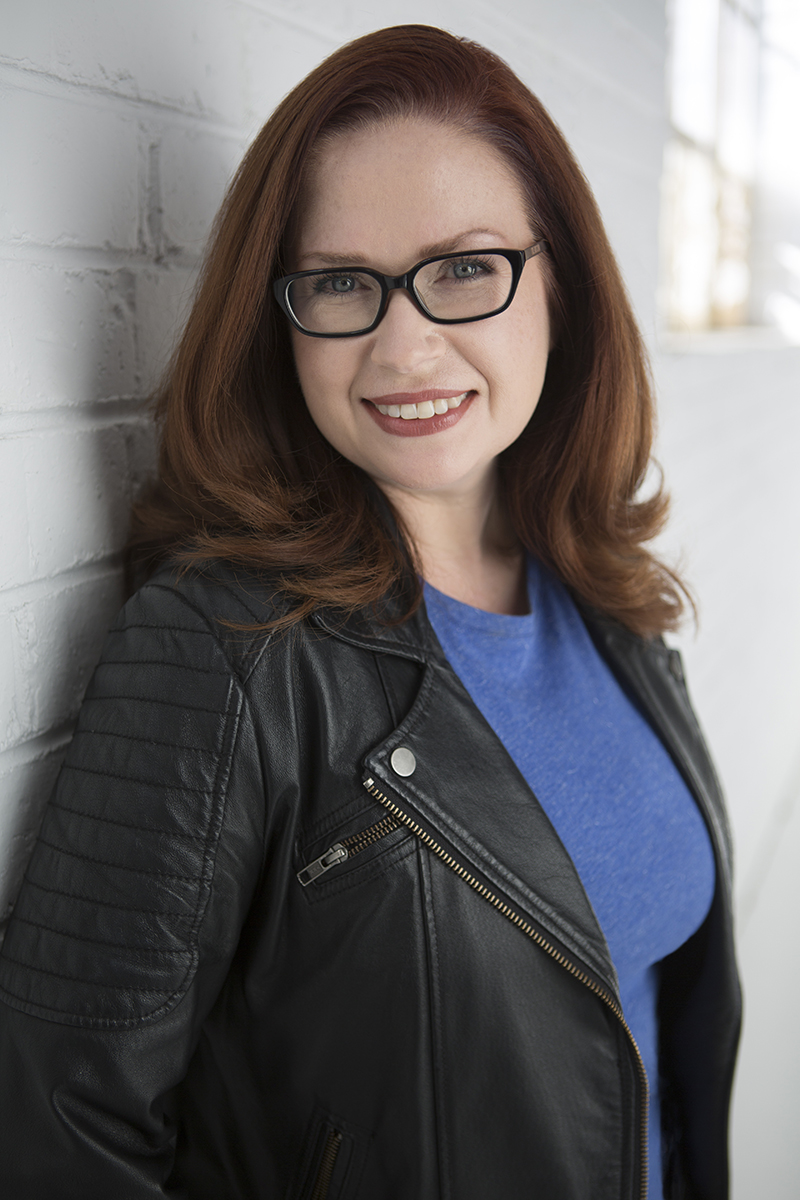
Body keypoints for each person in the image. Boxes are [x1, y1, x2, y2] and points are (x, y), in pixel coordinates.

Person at [0, 24, 740, 1200]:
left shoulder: (607, 597)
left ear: (563, 289)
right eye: (341, 282)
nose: (402, 347)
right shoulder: (220, 650)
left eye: (461, 270)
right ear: (278, 316)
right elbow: (60, 1138)